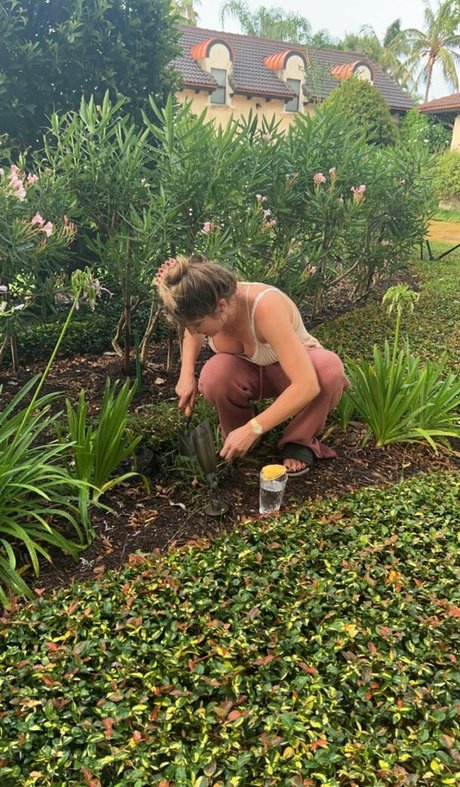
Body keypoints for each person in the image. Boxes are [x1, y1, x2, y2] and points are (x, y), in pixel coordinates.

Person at [157, 255, 348, 476]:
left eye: (197, 325)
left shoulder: (265, 307)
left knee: (328, 369)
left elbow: (306, 385)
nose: (194, 331)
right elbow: (194, 334)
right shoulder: (208, 304)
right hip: (251, 373)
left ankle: (299, 440)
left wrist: (254, 429)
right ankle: (238, 431)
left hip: (293, 372)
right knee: (214, 375)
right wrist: (186, 373)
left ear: (220, 306)